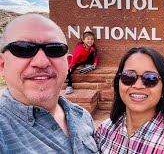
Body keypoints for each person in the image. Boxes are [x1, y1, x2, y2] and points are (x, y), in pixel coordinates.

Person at [0, 14, 98, 153]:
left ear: (67, 63)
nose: (41, 62)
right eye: (23, 49)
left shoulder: (82, 116)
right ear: (2, 64)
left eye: (54, 49)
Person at [96, 47, 164, 153]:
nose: (138, 85)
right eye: (128, 77)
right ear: (118, 83)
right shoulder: (104, 131)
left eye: (150, 79)